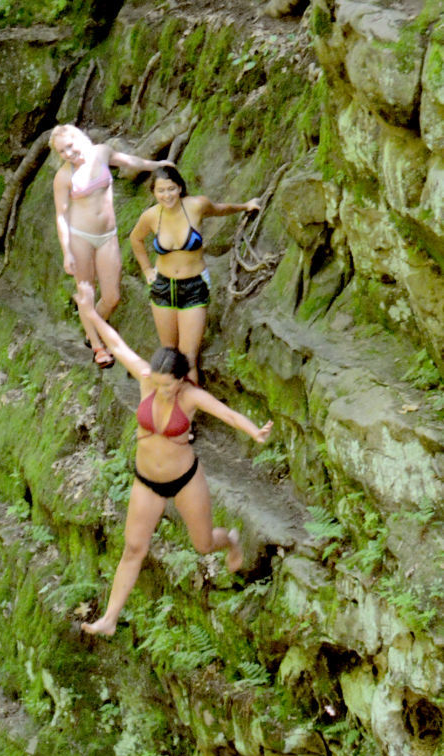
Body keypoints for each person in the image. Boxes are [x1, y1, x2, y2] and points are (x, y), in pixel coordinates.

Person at [73, 281, 272, 636]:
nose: (162, 389)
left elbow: (227, 414)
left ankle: (231, 539)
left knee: (203, 545)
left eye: (169, 385)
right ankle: (110, 618)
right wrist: (90, 312)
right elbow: (117, 345)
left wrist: (254, 430)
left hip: (184, 479)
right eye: (159, 382)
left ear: (181, 380)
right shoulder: (147, 379)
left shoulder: (191, 397)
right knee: (134, 548)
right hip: (146, 480)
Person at [51, 125, 174, 368]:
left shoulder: (102, 153)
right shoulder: (64, 177)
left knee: (112, 296)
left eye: (69, 146)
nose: (67, 153)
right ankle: (98, 347)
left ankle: (92, 331)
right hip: (80, 239)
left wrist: (157, 165)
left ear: (80, 138)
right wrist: (67, 253)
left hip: (107, 236)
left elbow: (128, 161)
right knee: (86, 293)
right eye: (61, 151)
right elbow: (61, 217)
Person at [129, 165, 262, 382]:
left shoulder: (196, 206)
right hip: (163, 287)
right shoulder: (151, 217)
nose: (167, 195)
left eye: (171, 189)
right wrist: (146, 270)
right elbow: (136, 239)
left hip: (194, 286)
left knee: (188, 358)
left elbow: (221, 208)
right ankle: (174, 409)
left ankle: (190, 408)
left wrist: (246, 206)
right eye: (161, 191)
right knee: (169, 354)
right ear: (153, 192)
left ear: (180, 188)